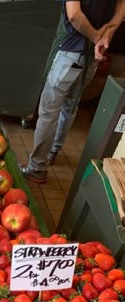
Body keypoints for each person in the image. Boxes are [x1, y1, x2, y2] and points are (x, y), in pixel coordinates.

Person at [21, 0, 125, 184]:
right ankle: (53, 151)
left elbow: (74, 14)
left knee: (49, 111)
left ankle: (36, 167)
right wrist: (107, 33)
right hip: (92, 57)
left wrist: (95, 37)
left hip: (70, 54)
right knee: (70, 103)